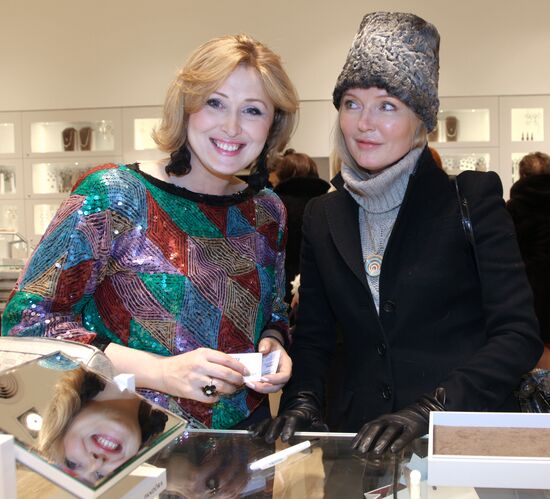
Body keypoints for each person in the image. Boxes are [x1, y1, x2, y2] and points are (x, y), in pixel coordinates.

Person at [252, 12, 542, 454]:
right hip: (359, 446)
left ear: (420, 119)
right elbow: (314, 336)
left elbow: (518, 335)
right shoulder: (323, 215)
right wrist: (303, 400)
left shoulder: (471, 201)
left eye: (387, 105)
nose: (364, 123)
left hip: (459, 440)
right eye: (352, 103)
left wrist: (433, 409)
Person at [2, 34, 299, 430]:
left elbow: (274, 311)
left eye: (252, 110)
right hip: (129, 436)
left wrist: (274, 344)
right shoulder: (116, 195)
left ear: (273, 124)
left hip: (245, 437)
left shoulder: (267, 210)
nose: (232, 126)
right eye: (215, 103)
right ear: (186, 107)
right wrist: (160, 372)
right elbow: (28, 323)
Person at [37, 367, 168, 484]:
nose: (97, 463)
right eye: (101, 476)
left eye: (73, 464)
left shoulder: (89, 349)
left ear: (60, 425)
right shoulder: (176, 403)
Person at [268, 149, 330, 305]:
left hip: (281, 289)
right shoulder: (329, 204)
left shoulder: (274, 206)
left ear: (283, 174)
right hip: (324, 288)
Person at [507, 152, 550, 368]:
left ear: (522, 174)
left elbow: (509, 249)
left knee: (532, 346)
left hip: (529, 283)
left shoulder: (514, 207)